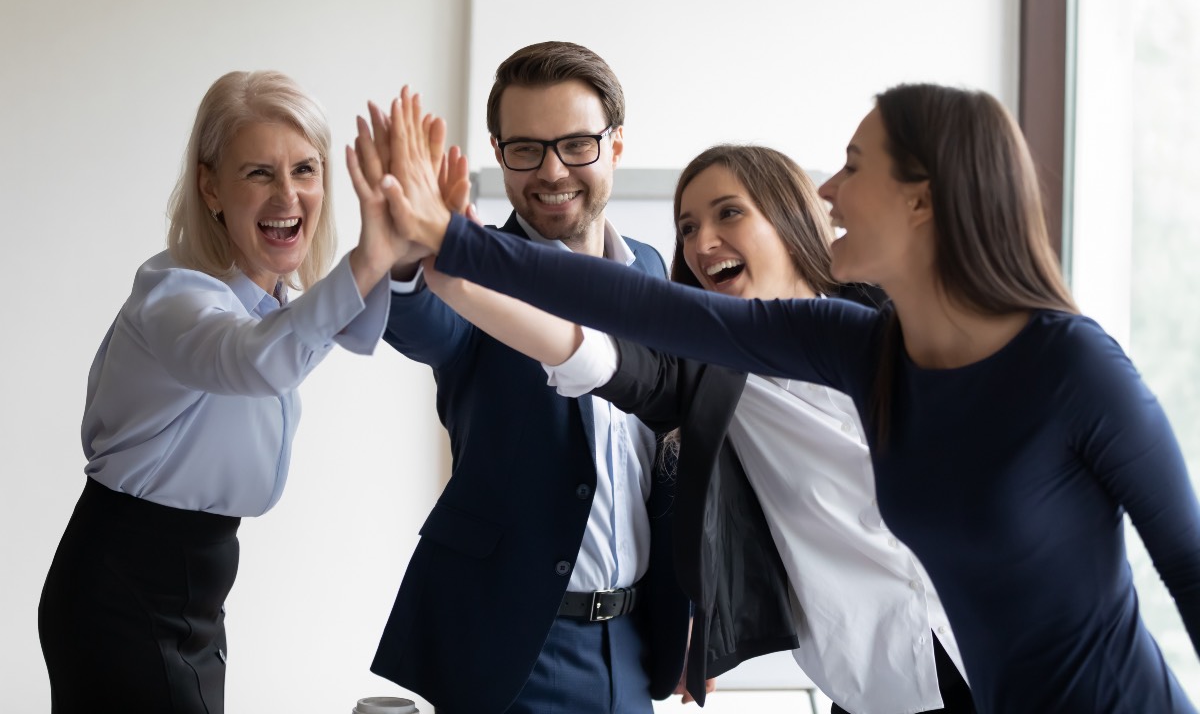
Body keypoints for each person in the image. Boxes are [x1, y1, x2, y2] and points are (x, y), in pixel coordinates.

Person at [386, 82, 1200, 714]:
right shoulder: (844, 349)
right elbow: (632, 315)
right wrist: (454, 244)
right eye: (686, 225)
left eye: (852, 165)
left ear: (922, 199)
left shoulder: (1067, 362)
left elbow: (1189, 565)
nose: (831, 188)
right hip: (882, 685)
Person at [414, 143, 974, 713]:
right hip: (882, 685)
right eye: (687, 226)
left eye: (728, 213)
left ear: (788, 214)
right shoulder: (707, 376)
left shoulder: (903, 317)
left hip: (1002, 645)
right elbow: (588, 355)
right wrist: (461, 280)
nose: (702, 243)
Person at [37, 70, 415, 714]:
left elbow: (328, 333)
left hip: (195, 586)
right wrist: (370, 255)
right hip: (124, 584)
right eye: (259, 174)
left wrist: (399, 245)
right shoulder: (174, 297)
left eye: (305, 169)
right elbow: (255, 362)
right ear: (210, 185)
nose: (288, 195)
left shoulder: (272, 307)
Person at [365, 44, 690, 714]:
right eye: (525, 149)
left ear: (616, 146)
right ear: (498, 151)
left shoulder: (654, 272)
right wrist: (404, 263)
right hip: (516, 650)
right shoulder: (476, 267)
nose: (551, 171)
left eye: (575, 144)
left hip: (632, 646)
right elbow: (426, 323)